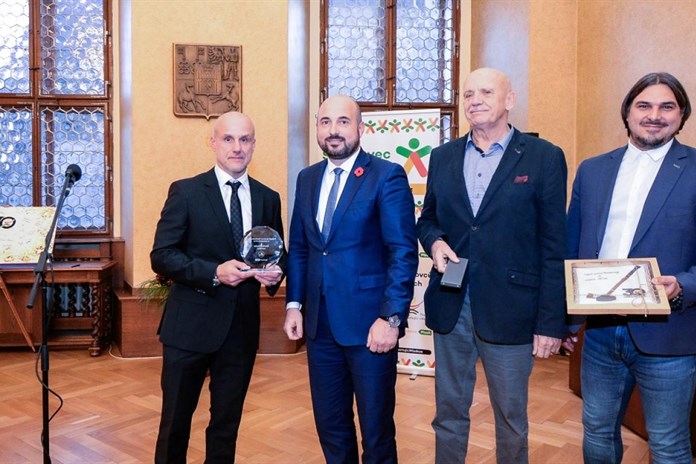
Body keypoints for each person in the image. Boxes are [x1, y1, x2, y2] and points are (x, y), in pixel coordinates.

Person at [415, 67, 568, 463]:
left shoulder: (544, 157)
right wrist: (435, 242)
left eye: (485, 92)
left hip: (512, 307)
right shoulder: (443, 157)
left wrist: (551, 323)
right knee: (448, 413)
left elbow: (554, 245)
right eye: (468, 94)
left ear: (509, 100)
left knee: (511, 418)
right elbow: (427, 219)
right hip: (452, 301)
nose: (475, 101)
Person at [566, 72, 696, 463]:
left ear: (682, 115)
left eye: (667, 107)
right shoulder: (592, 169)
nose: (654, 115)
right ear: (627, 112)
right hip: (600, 333)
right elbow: (572, 245)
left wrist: (684, 285)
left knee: (669, 445)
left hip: (670, 336)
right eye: (644, 105)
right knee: (597, 432)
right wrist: (566, 321)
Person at [283, 94, 418, 464]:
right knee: (331, 426)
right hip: (319, 328)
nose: (334, 130)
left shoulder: (386, 176)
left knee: (376, 432)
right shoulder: (307, 178)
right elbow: (300, 248)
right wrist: (294, 304)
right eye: (325, 122)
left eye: (343, 122)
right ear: (317, 128)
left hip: (370, 327)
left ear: (360, 128)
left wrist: (391, 318)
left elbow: (402, 252)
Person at [151, 111, 286, 463]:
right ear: (213, 143)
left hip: (241, 330)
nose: (237, 147)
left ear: (253, 145)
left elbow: (278, 253)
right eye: (228, 139)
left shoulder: (268, 198)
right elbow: (162, 256)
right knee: (175, 424)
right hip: (189, 328)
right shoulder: (186, 191)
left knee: (226, 426)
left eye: (245, 139)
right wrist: (214, 272)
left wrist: (276, 274)